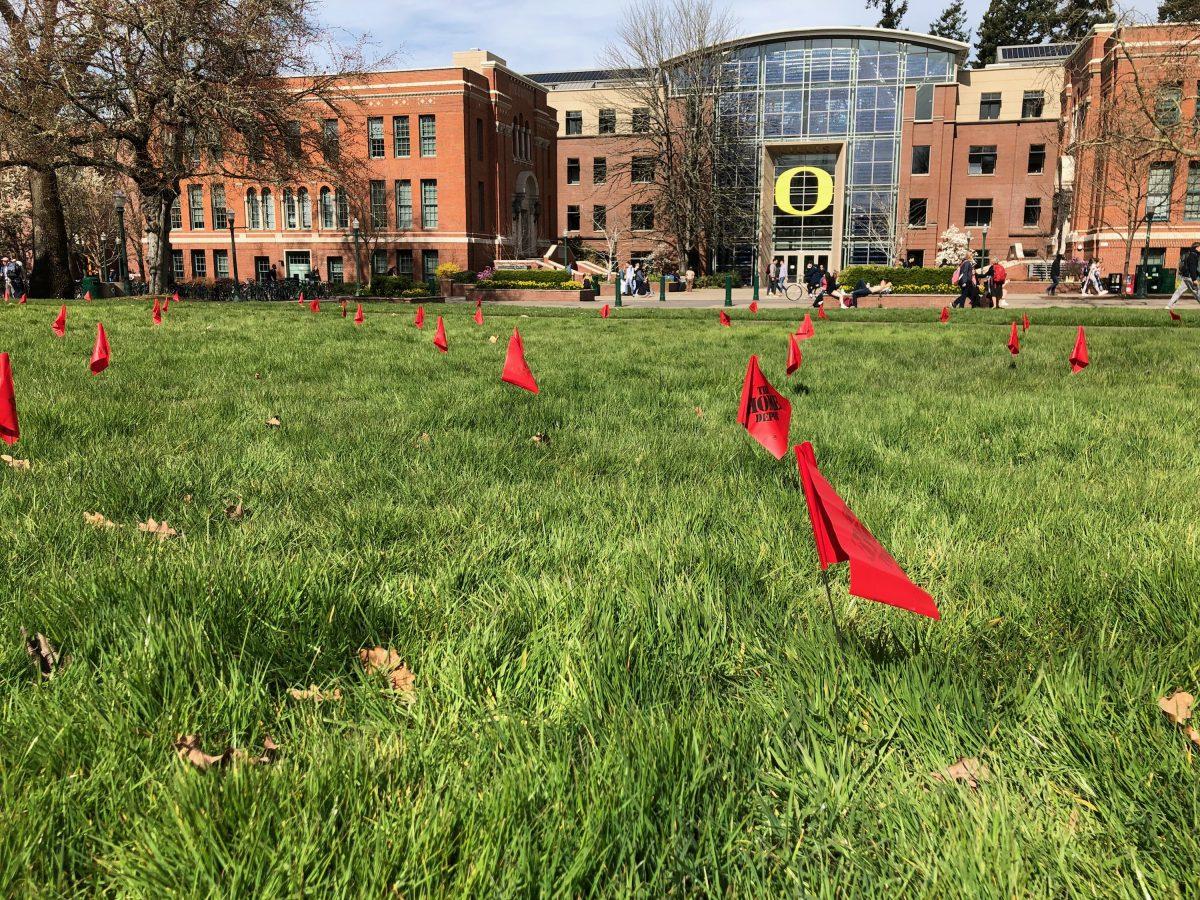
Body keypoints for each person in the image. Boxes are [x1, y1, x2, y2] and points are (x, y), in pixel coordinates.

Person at [1168, 241, 1200, 310]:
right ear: (1197, 247)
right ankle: (1169, 305)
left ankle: (1169, 306)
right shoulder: (1193, 255)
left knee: (1178, 291)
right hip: (1190, 277)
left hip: (1185, 277)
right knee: (1197, 291)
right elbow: (1192, 268)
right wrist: (1194, 279)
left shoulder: (1188, 254)